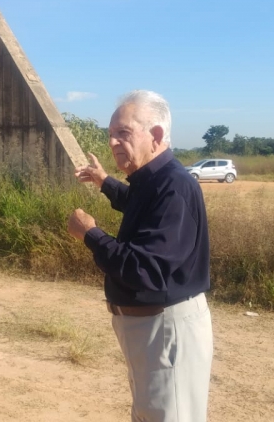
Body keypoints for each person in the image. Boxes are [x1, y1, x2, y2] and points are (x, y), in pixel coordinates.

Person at [67, 90, 213, 422]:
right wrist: (105, 182)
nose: (114, 142)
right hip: (149, 328)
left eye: (124, 133)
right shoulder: (154, 179)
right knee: (151, 413)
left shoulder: (174, 187)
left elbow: (143, 269)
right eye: (111, 135)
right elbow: (137, 202)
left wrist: (91, 233)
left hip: (165, 329)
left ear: (156, 135)